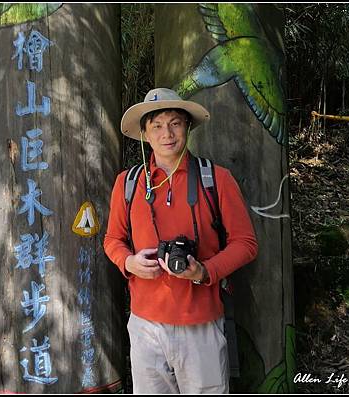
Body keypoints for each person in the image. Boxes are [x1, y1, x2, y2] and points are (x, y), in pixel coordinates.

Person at [104, 88, 258, 394]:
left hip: (201, 324)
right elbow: (112, 239)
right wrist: (129, 262)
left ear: (187, 127)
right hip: (145, 325)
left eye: (175, 123)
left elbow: (246, 243)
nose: (167, 134)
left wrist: (204, 271)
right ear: (145, 134)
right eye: (157, 126)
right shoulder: (128, 183)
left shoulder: (216, 179)